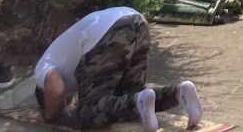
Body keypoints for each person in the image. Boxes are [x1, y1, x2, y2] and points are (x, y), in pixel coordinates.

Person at [34, 7, 202, 131]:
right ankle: (180, 92)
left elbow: (54, 86)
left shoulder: (42, 70)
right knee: (128, 96)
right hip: (137, 21)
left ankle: (139, 100)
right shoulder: (64, 66)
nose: (68, 104)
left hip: (107, 31)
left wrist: (52, 115)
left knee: (87, 113)